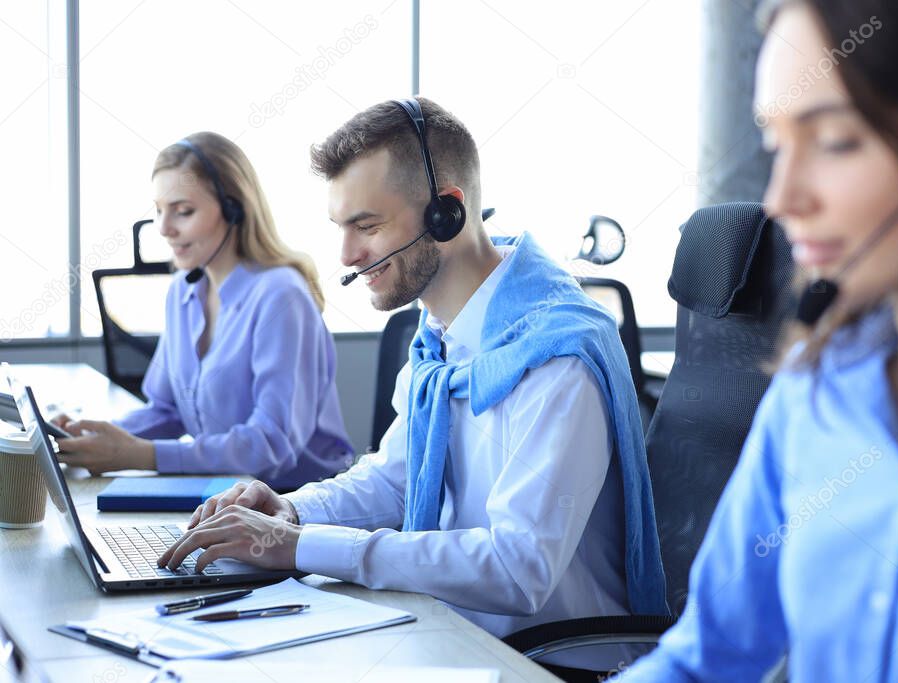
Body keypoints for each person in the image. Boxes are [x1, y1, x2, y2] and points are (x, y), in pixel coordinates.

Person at [158, 98, 668, 673]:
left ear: (445, 213)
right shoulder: (441, 339)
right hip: (452, 636)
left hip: (546, 661)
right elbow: (397, 480)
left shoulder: (555, 358)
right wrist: (292, 513)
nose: (347, 256)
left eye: (367, 226)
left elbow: (517, 567)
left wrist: (300, 548)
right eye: (342, 228)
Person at [620, 0, 898, 680]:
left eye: (834, 139)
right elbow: (705, 657)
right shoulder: (811, 392)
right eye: (775, 143)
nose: (780, 198)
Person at [54, 132, 354, 490]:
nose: (164, 229)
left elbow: (272, 445)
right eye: (160, 211)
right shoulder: (183, 291)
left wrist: (142, 455)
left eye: (183, 211)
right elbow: (166, 409)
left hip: (295, 502)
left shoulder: (280, 296)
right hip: (224, 493)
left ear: (233, 209)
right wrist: (89, 434)